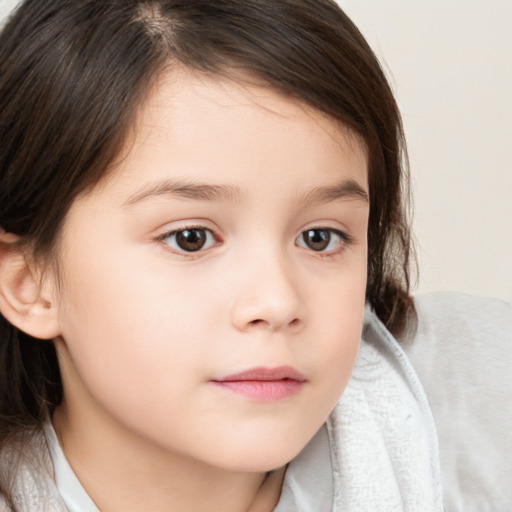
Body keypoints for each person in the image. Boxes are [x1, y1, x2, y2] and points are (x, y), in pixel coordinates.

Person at [0, 1, 510, 511]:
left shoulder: (481, 400)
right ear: (28, 283)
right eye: (191, 238)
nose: (276, 301)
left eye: (320, 237)